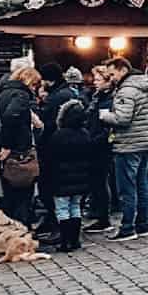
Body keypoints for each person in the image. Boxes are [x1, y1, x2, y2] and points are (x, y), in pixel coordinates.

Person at [99, 58, 148, 240]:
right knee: (142, 185)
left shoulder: (127, 91)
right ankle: (143, 224)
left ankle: (127, 227)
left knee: (127, 188)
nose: (111, 77)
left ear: (123, 70)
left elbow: (123, 119)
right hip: (145, 141)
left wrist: (106, 115)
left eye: (113, 73)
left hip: (128, 144)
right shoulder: (145, 87)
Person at [0, 65, 43, 229]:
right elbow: (11, 117)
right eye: (35, 85)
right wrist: (7, 145)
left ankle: (8, 237)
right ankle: (21, 236)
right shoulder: (21, 96)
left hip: (3, 157)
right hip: (20, 153)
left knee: (8, 199)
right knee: (23, 199)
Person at [45, 102, 98, 252]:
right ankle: (74, 240)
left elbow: (50, 159)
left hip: (61, 180)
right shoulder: (85, 134)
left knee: (62, 209)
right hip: (80, 179)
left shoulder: (58, 136)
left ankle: (65, 240)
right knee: (75, 207)